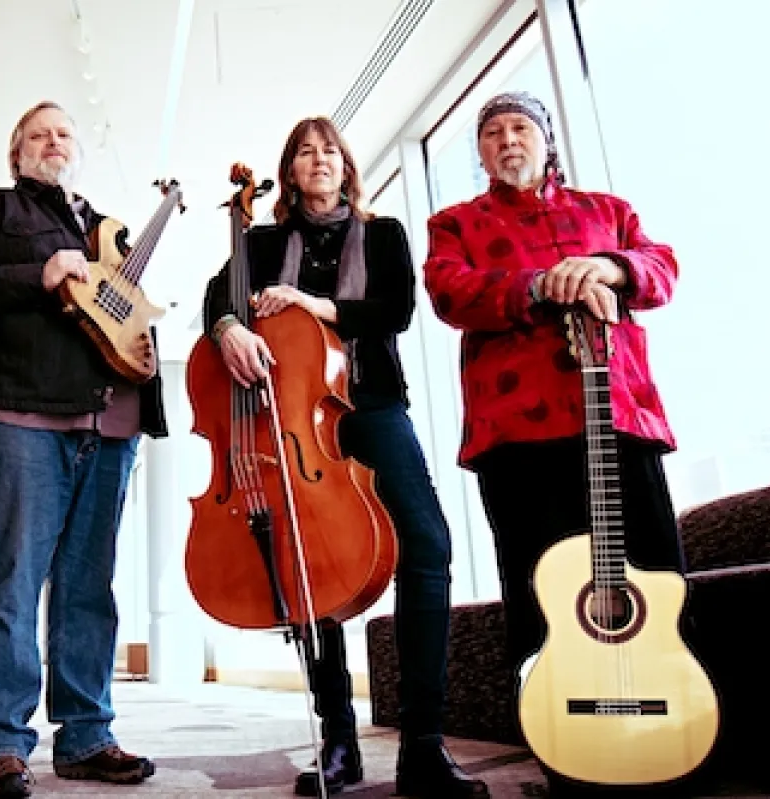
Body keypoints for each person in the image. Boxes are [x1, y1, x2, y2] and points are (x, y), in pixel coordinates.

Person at [202, 116, 488, 798]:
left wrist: (312, 304)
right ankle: (337, 738)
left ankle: (423, 742)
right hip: (292, 422)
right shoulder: (261, 241)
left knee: (426, 545)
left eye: (329, 149)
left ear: (346, 166)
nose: (319, 159)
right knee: (305, 558)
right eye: (304, 151)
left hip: (373, 406)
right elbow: (218, 296)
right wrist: (228, 326)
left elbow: (394, 311)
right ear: (291, 172)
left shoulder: (383, 234)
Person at [422, 91, 684, 792]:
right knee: (541, 594)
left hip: (621, 415)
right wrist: (542, 283)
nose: (509, 140)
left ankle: (670, 740)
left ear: (546, 141)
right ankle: (567, 756)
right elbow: (451, 292)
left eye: (521, 127)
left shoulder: (609, 211)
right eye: (493, 133)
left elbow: (661, 269)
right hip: (515, 431)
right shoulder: (455, 224)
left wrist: (609, 268)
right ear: (481, 153)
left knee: (656, 579)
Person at [0, 101, 167, 798]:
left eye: (64, 133)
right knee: (15, 580)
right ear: (17, 154)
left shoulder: (109, 230)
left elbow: (128, 319)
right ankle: (2, 741)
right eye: (39, 133)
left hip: (109, 424)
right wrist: (38, 274)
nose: (53, 141)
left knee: (90, 586)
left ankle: (87, 734)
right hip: (19, 414)